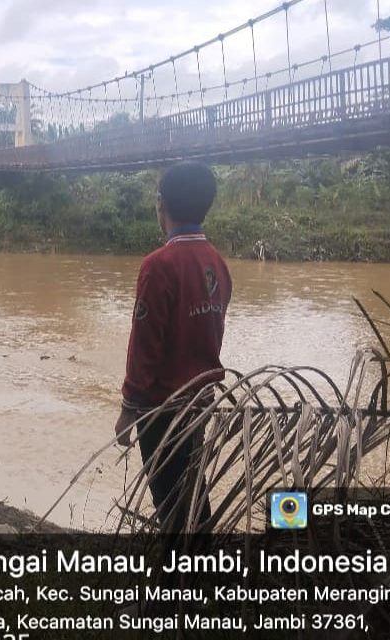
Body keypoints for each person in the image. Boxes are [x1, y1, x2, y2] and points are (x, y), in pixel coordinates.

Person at [113, 161, 231, 532]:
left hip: (161, 410)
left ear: (161, 204)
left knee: (170, 500)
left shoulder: (158, 265)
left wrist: (129, 410)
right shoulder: (217, 262)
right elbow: (212, 333)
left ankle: (184, 578)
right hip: (200, 402)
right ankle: (201, 570)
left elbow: (144, 346)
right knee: (191, 489)